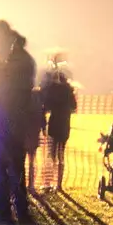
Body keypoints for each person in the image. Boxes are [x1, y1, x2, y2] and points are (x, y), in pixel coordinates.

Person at [0, 21, 36, 223]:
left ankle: (15, 211)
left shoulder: (18, 61)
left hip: (10, 123)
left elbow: (17, 92)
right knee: (6, 169)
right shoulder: (11, 59)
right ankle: (9, 211)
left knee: (13, 168)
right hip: (3, 123)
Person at [40, 57, 76, 191]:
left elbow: (46, 106)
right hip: (65, 125)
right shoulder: (68, 90)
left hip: (54, 125)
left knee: (52, 154)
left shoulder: (53, 90)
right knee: (61, 155)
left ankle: (49, 182)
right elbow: (74, 106)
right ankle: (59, 184)